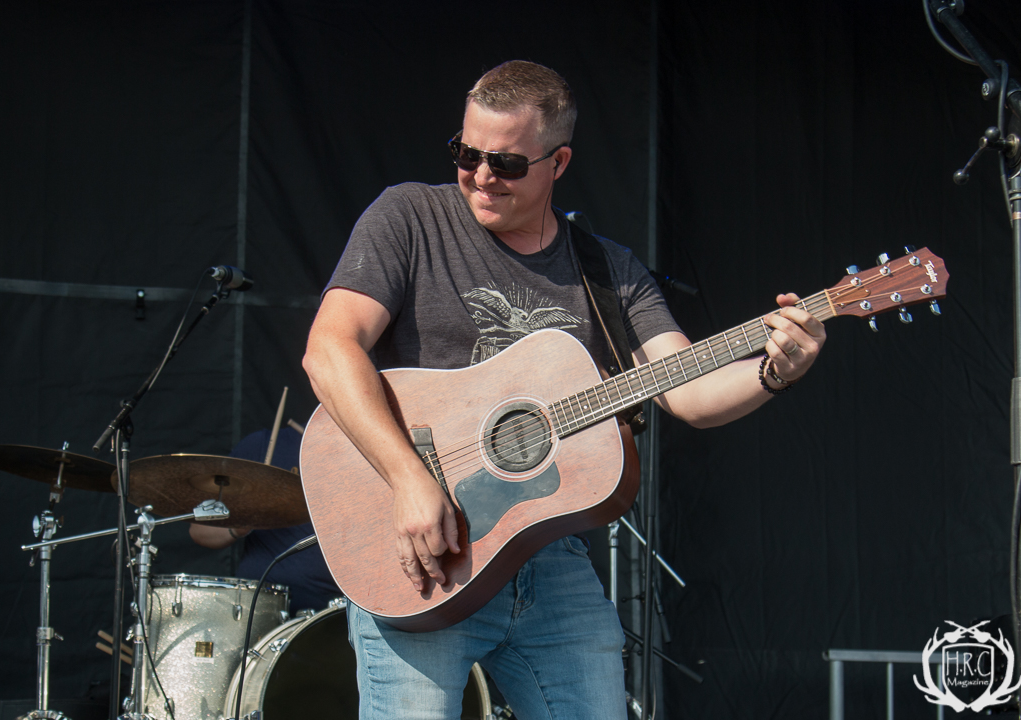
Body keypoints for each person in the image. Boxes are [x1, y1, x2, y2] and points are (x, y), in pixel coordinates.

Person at [301, 60, 826, 719]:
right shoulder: (410, 217)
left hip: (550, 560)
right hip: (421, 551)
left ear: (559, 162)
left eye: (506, 163)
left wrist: (775, 371)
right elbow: (329, 350)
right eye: (466, 153)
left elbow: (687, 390)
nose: (481, 175)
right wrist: (408, 479)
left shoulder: (608, 270)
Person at [189, 425, 340, 615]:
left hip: (331, 612)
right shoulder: (262, 444)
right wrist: (237, 527)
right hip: (257, 607)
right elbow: (199, 529)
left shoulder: (358, 451)